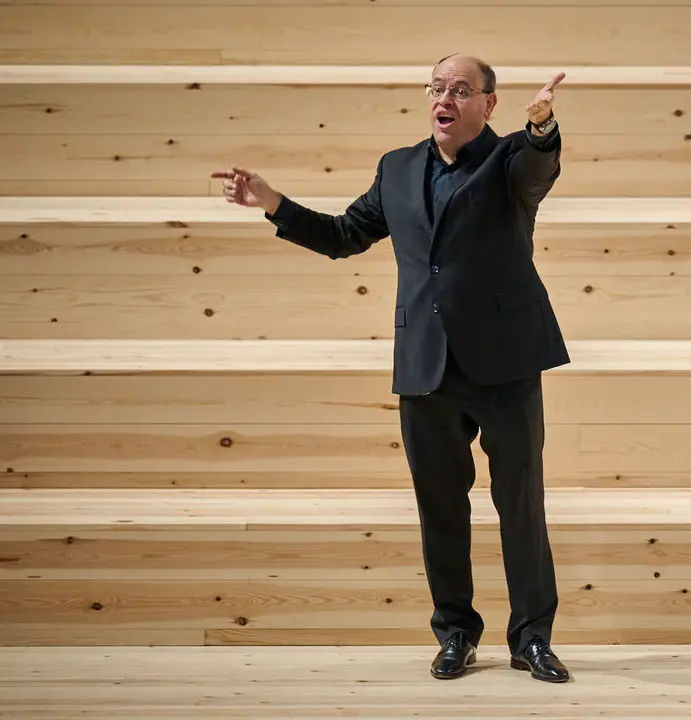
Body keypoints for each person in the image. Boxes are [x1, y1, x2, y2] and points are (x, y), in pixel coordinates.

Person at [212, 54, 572, 683]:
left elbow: (540, 169)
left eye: (462, 90)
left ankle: (532, 638)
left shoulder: (510, 158)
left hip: (506, 360)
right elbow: (346, 233)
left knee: (520, 502)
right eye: (438, 88)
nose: (446, 98)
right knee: (439, 505)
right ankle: (456, 633)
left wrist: (542, 126)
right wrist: (273, 203)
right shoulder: (398, 168)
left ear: (489, 103)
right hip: (426, 361)